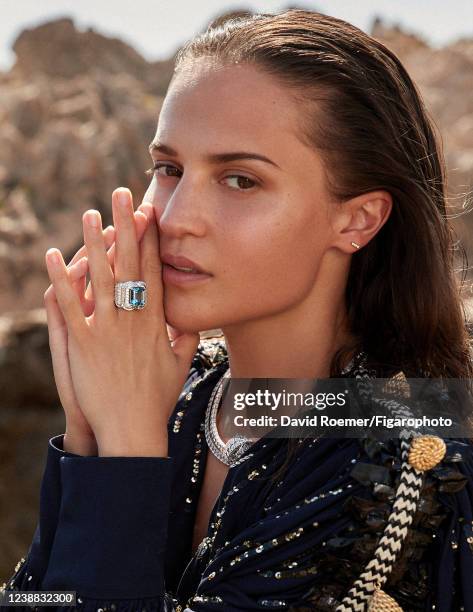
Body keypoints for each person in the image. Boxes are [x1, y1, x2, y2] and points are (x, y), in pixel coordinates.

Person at [2, 8, 473, 612]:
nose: (175, 219)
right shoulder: (178, 396)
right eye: (169, 168)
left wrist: (124, 454)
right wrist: (89, 435)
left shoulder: (396, 460)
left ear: (357, 218)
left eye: (240, 180)